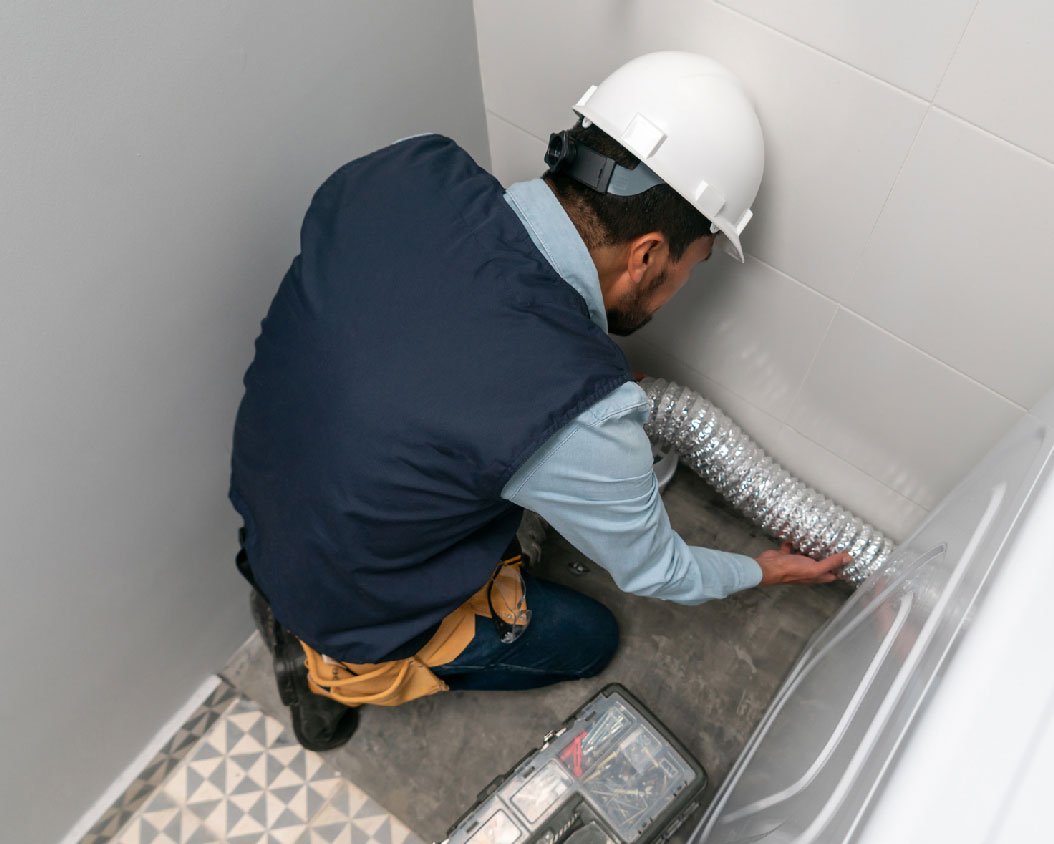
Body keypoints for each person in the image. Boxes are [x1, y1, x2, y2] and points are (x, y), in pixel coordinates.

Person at [228, 52, 850, 750]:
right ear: (646, 255)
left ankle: (304, 615)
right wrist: (760, 569)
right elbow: (657, 569)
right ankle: (329, 674)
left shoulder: (406, 172)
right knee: (590, 639)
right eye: (688, 270)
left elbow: (431, 341)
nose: (680, 291)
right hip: (353, 603)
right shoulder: (586, 417)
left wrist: (570, 377)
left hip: (272, 502)